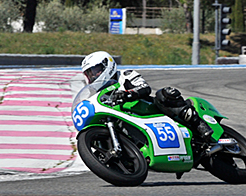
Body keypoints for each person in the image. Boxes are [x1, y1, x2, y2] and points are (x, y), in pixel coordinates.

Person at [80, 51, 215, 142]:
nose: (93, 76)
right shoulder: (99, 94)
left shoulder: (125, 75)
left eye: (95, 71)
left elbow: (144, 88)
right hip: (128, 120)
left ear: (106, 65)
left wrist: (128, 94)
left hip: (148, 110)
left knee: (164, 94)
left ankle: (199, 125)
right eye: (90, 74)